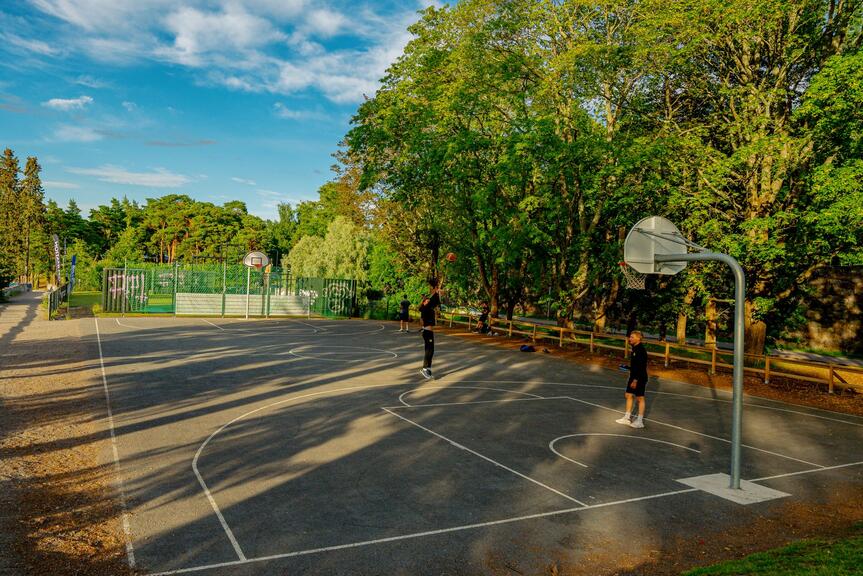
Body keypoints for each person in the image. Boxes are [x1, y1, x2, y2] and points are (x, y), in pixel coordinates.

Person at [616, 330, 648, 428]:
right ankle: (627, 418)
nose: (630, 338)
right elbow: (635, 365)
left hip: (639, 377)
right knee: (628, 395)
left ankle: (639, 421)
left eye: (632, 337)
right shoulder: (634, 348)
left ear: (638, 338)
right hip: (634, 375)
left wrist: (635, 380)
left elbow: (641, 367)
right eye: (630, 337)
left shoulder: (641, 350)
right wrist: (627, 367)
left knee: (640, 398)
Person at [418, 277, 443, 379]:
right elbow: (435, 296)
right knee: (429, 350)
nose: (427, 300)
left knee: (430, 350)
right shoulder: (425, 308)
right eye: (426, 300)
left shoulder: (427, 307)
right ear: (424, 302)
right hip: (427, 331)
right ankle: (425, 369)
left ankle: (428, 369)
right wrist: (436, 289)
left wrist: (437, 288)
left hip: (428, 331)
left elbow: (437, 297)